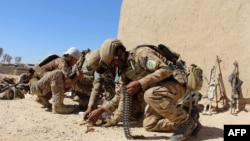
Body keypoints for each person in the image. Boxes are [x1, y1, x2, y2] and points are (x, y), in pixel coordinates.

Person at [87, 39, 201, 141]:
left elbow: (166, 70)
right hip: (160, 91)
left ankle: (185, 122)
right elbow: (121, 97)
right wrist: (107, 113)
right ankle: (191, 119)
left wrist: (140, 83)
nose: (114, 65)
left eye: (113, 61)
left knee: (150, 94)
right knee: (149, 124)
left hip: (176, 84)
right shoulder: (124, 71)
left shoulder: (141, 54)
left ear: (119, 52)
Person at [29, 47, 83, 114]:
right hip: (35, 86)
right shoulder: (62, 62)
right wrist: (76, 78)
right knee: (58, 74)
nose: (76, 62)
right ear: (70, 57)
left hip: (37, 86)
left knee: (62, 81)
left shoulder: (62, 62)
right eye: (76, 60)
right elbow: (66, 85)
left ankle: (43, 99)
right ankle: (58, 107)